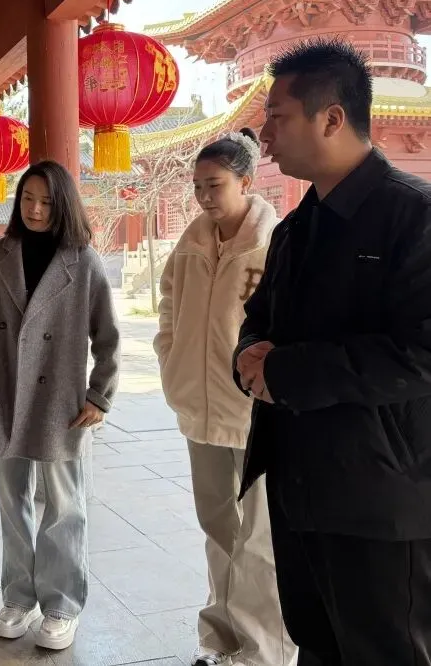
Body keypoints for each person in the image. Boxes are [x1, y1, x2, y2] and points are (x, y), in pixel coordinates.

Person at [234, 38, 431, 666]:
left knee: (385, 651)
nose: (264, 135)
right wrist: (248, 359)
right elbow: (260, 321)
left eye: (277, 116)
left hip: (382, 495)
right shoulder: (297, 227)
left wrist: (285, 370)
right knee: (315, 644)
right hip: (299, 483)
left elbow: (422, 353)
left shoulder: (414, 217)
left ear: (332, 118)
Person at [0, 160, 120, 651]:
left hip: (60, 401)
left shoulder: (82, 261)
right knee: (13, 502)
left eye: (46, 201)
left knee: (64, 505)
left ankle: (62, 604)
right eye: (28, 198)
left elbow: (108, 335)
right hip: (5, 393)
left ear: (62, 204)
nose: (36, 209)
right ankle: (18, 597)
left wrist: (99, 395)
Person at [155, 129, 295, 666]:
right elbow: (169, 306)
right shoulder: (190, 244)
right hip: (199, 406)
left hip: (254, 410)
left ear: (245, 181)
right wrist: (170, 357)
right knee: (217, 528)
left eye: (214, 185)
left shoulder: (274, 243)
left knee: (259, 538)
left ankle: (264, 651)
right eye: (197, 187)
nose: (204, 197)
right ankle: (222, 638)